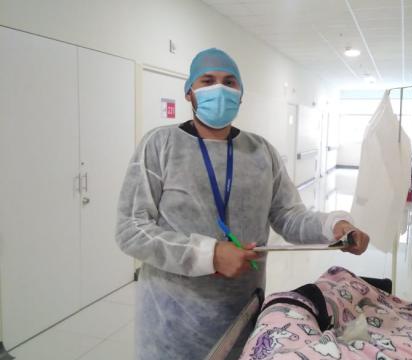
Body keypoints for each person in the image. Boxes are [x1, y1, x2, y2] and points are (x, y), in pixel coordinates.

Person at [115, 48, 370, 360]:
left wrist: (334, 226)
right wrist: (208, 255)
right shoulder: (160, 145)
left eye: (229, 82)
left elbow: (288, 216)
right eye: (207, 81)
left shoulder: (261, 151)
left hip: (243, 310)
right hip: (172, 320)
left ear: (241, 94)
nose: (219, 90)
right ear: (189, 93)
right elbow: (131, 229)